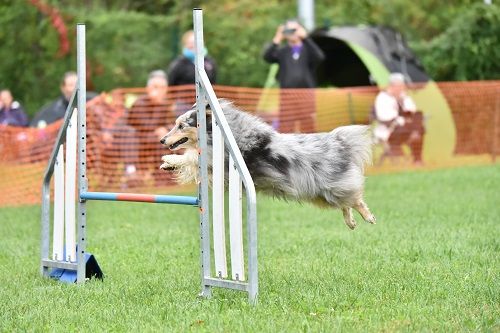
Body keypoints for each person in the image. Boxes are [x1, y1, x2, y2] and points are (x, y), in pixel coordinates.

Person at [263, 19, 325, 133]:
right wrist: (277, 38)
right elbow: (267, 57)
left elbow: (319, 57)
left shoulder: (308, 50)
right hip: (287, 98)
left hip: (306, 97)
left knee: (309, 131)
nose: (292, 33)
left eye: (294, 29)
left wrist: (306, 38)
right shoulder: (283, 52)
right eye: (289, 30)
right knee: (286, 130)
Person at [126, 70, 174, 184]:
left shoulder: (167, 104)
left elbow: (171, 122)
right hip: (135, 140)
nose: (160, 91)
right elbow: (147, 125)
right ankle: (132, 174)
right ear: (148, 89)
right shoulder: (140, 103)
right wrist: (158, 105)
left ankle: (163, 176)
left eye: (163, 87)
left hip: (153, 140)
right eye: (156, 87)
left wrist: (166, 129)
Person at [373, 73, 425, 165]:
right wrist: (404, 120)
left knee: (419, 116)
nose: (403, 88)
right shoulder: (382, 98)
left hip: (406, 128)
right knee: (418, 129)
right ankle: (415, 136)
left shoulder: (403, 97)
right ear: (392, 86)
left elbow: (412, 110)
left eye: (402, 86)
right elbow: (386, 118)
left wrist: (403, 100)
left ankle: (417, 158)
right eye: (400, 86)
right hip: (391, 131)